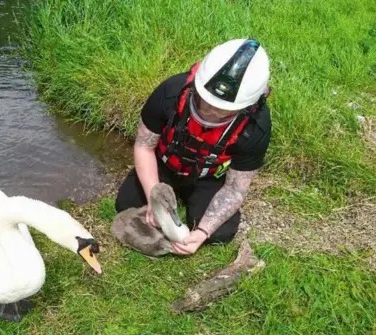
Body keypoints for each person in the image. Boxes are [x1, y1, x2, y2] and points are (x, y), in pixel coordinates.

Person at [114, 38, 272, 255]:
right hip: (165, 164)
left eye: (223, 110)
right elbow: (144, 145)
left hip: (207, 176)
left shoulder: (256, 127)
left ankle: (193, 209)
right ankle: (167, 199)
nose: (211, 113)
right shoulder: (171, 92)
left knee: (220, 233)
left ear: (249, 105)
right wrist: (155, 196)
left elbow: (235, 188)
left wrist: (202, 233)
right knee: (126, 202)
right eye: (206, 102)